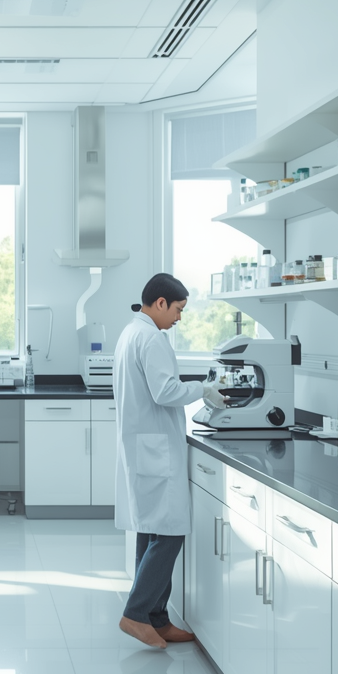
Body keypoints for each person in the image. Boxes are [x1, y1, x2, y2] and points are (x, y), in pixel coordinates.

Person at [113, 273, 224, 650]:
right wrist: (203, 389)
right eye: (178, 309)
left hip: (145, 446)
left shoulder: (132, 332)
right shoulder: (151, 338)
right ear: (160, 303)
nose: (179, 318)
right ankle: (135, 613)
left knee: (151, 529)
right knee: (170, 532)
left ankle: (157, 618)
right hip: (155, 448)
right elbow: (166, 391)